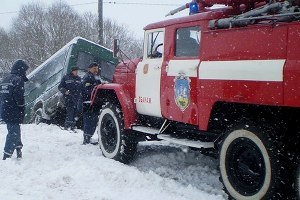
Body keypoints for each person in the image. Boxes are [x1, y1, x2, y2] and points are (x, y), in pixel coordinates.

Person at [0, 60, 29, 160]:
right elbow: (19, 97)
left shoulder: (5, 79)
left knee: (14, 130)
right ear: (21, 69)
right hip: (13, 110)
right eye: (25, 70)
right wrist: (22, 107)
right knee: (13, 132)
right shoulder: (18, 79)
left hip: (4, 109)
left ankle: (18, 150)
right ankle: (6, 156)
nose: (25, 73)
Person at [82, 62, 101, 144]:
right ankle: (86, 139)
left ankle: (89, 137)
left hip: (94, 102)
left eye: (97, 68)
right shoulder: (87, 77)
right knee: (89, 121)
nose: (96, 70)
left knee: (93, 121)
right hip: (88, 102)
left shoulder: (96, 77)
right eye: (94, 68)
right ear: (89, 69)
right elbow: (87, 90)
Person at [58, 66, 82, 131]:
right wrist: (65, 91)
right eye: (75, 71)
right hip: (69, 98)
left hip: (77, 99)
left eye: (77, 71)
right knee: (70, 112)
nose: (77, 72)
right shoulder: (66, 77)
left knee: (75, 113)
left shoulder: (79, 79)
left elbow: (81, 88)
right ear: (72, 71)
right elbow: (60, 87)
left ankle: (72, 127)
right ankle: (68, 127)